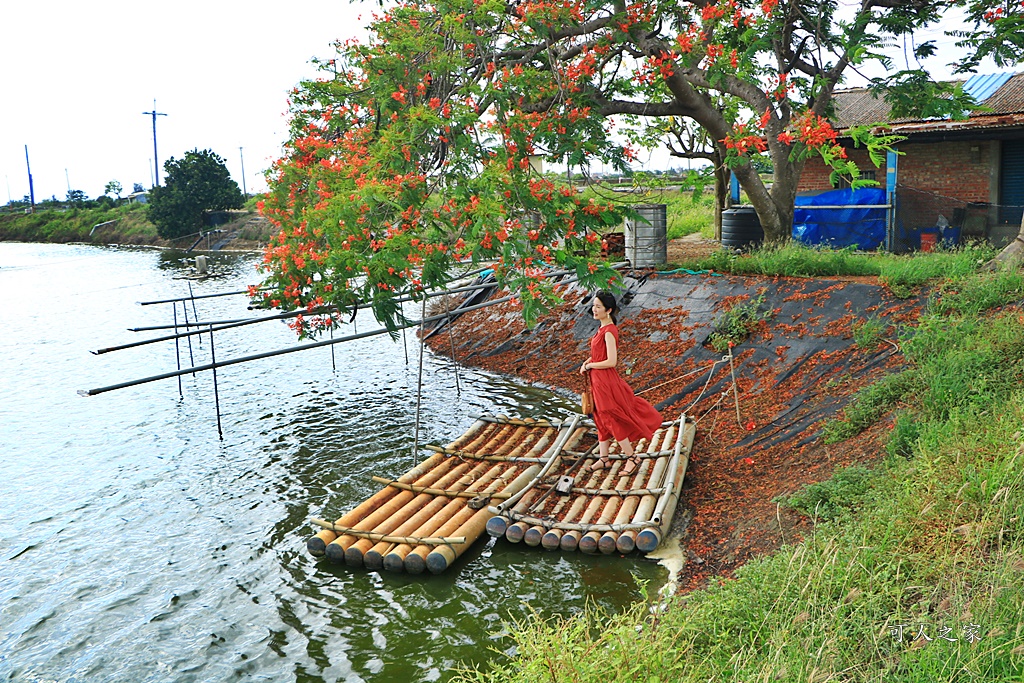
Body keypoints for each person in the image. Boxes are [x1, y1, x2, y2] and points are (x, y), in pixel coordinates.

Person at [578, 290, 663, 475]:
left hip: (605, 381)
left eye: (598, 307)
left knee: (610, 417)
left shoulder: (609, 331)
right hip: (597, 379)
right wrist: (588, 361)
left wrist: (591, 364)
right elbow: (599, 354)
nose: (594, 309)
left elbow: (612, 361)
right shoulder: (601, 329)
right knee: (600, 417)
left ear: (608, 310)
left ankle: (632, 457)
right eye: (593, 306)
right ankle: (604, 459)